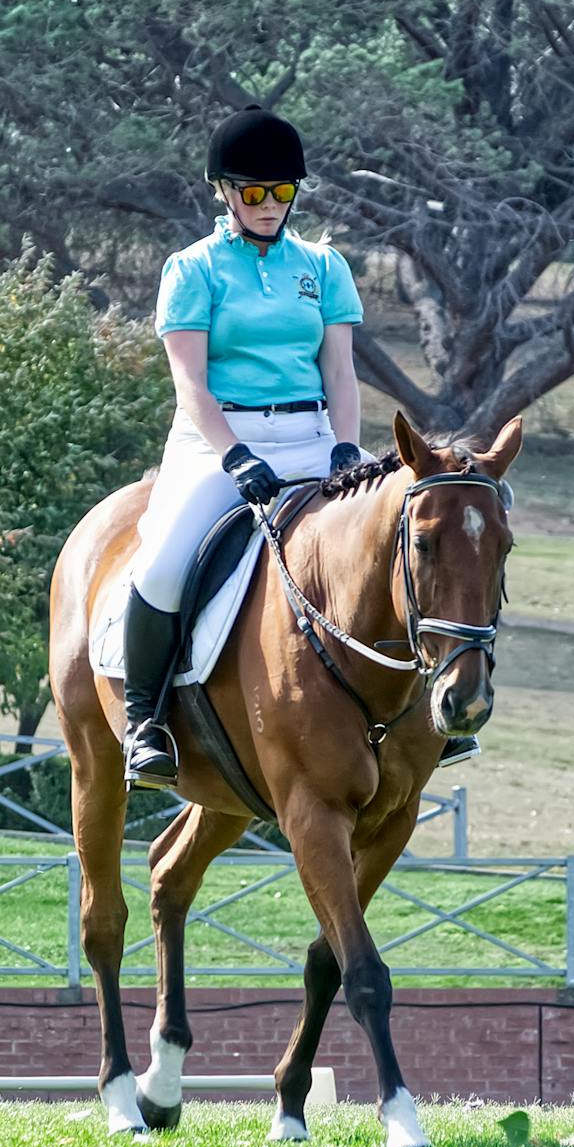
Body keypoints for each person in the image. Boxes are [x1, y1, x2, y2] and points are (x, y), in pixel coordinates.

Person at [119, 105, 476, 788]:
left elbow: (340, 370)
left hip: (312, 435)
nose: (268, 205)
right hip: (216, 440)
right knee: (164, 565)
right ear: (224, 192)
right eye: (254, 193)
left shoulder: (323, 266)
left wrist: (346, 447)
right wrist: (232, 454)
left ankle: (427, 716)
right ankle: (146, 721)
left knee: (396, 543)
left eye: (281, 192)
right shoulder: (191, 270)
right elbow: (190, 384)